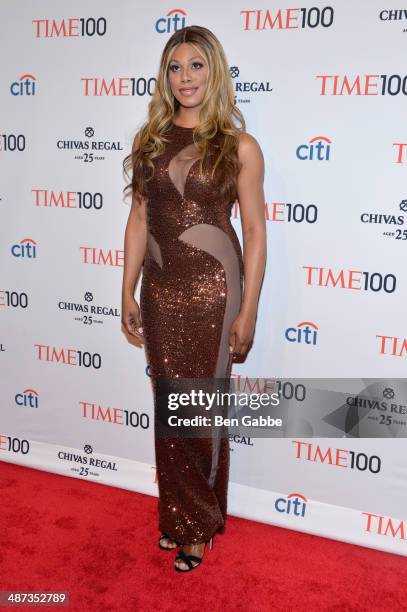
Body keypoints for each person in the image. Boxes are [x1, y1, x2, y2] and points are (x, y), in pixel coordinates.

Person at [121, 25, 266, 572]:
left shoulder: (239, 146)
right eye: (176, 67)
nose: (186, 77)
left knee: (199, 411)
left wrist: (249, 308)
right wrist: (126, 287)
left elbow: (254, 230)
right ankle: (177, 515)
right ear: (166, 76)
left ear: (215, 71)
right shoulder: (149, 141)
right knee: (168, 407)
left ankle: (198, 525)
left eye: (196, 66)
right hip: (160, 289)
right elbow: (138, 218)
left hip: (214, 293)